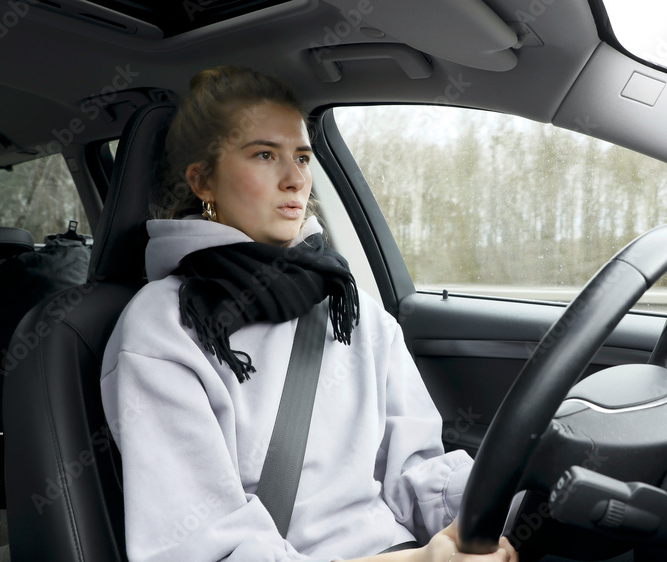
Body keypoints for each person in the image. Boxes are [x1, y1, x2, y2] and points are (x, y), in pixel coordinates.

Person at [100, 66, 518, 562]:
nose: (296, 179)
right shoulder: (162, 328)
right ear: (203, 181)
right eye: (263, 154)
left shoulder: (343, 300)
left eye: (301, 156)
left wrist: (507, 499)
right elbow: (204, 548)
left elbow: (415, 474)